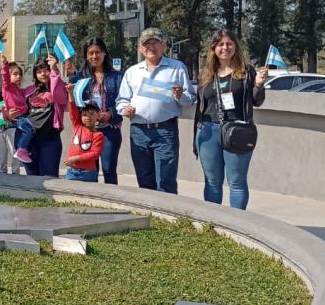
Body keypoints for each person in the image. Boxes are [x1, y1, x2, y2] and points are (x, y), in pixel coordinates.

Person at [192, 29, 268, 209]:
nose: (225, 47)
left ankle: (237, 226)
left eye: (229, 44)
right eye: (220, 44)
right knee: (212, 182)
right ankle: (213, 225)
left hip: (237, 131)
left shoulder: (246, 71)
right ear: (214, 48)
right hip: (209, 131)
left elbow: (257, 101)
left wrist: (258, 85)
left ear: (235, 47)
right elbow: (199, 106)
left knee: (237, 182)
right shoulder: (206, 73)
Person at [116, 27, 196, 194]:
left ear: (164, 45)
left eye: (155, 42)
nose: (151, 47)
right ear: (140, 48)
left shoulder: (176, 67)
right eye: (146, 43)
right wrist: (125, 109)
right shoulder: (132, 72)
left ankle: (168, 218)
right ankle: (150, 218)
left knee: (165, 181)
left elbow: (190, 99)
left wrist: (180, 95)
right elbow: (121, 100)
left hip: (165, 131)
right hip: (139, 132)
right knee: (144, 180)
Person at [68, 37, 124, 184]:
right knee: (89, 168)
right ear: (86, 56)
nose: (94, 56)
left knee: (108, 169)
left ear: (104, 53)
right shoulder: (79, 78)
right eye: (90, 53)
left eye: (98, 52)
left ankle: (111, 203)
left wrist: (111, 113)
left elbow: (124, 101)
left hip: (109, 130)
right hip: (88, 131)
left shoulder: (117, 77)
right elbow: (71, 100)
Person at [21, 55, 68, 177]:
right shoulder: (28, 91)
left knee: (50, 177)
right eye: (39, 71)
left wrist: (54, 70)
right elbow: (19, 108)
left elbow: (60, 96)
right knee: (32, 179)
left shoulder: (58, 87)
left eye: (46, 70)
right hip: (30, 140)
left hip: (50, 139)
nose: (43, 74)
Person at [0, 55, 34, 164]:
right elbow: (5, 76)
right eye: (15, 74)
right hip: (17, 117)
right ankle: (21, 150)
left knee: (26, 131)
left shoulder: (19, 90)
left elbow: (31, 89)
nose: (18, 76)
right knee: (30, 130)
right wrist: (5, 64)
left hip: (22, 116)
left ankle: (21, 149)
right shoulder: (8, 88)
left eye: (20, 74)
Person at [64, 99, 105, 182]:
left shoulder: (98, 135)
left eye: (91, 114)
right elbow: (72, 111)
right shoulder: (78, 127)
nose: (88, 117)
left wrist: (76, 158)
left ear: (98, 116)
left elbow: (95, 154)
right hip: (71, 171)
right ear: (80, 116)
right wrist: (70, 94)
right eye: (84, 114)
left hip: (87, 173)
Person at [0, 100, 21, 174]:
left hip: (12, 127)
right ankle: (2, 170)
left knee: (13, 151)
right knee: (0, 152)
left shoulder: (16, 101)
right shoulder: (0, 102)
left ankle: (15, 171)